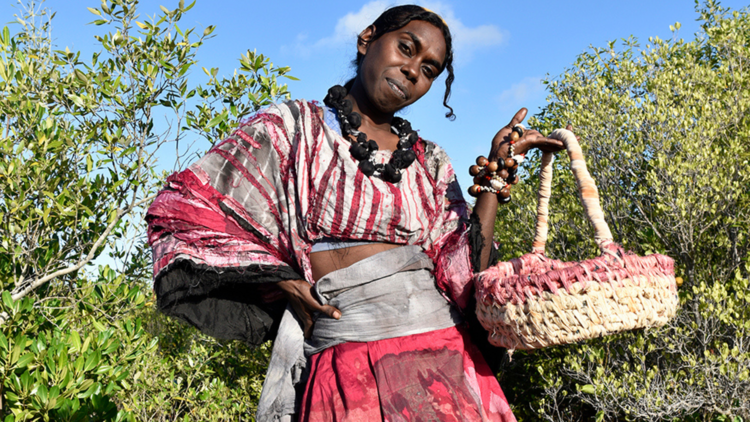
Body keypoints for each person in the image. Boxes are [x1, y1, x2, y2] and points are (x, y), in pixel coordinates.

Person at [146, 5, 565, 421]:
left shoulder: (430, 162)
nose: (413, 70)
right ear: (367, 39)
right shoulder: (293, 129)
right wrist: (286, 281)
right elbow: (184, 208)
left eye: (430, 68)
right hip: (345, 361)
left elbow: (465, 271)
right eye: (406, 48)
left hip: (443, 359)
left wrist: (496, 168)